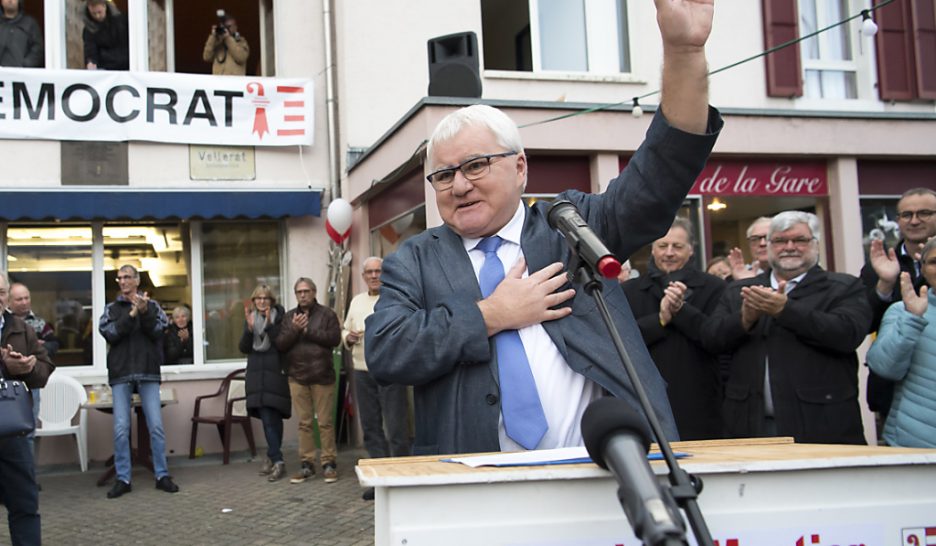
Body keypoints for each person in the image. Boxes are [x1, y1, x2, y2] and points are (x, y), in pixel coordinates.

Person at [366, 1, 720, 455]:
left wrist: (684, 52)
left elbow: (660, 175)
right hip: (474, 482)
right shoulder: (415, 260)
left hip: (606, 472)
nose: (459, 185)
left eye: (475, 165)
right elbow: (386, 350)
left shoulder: (571, 227)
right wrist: (491, 315)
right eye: (443, 175)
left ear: (519, 167)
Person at [701, 211, 872, 443]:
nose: (789, 247)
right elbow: (711, 339)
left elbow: (847, 334)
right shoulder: (739, 291)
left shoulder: (843, 287)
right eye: (780, 241)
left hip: (822, 426)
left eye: (800, 240)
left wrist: (785, 310)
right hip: (750, 426)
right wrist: (744, 320)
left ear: (816, 243)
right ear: (769, 246)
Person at [621, 218, 726, 440]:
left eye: (677, 246)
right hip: (646, 402)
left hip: (699, 401)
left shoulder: (714, 287)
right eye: (662, 245)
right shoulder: (629, 291)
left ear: (691, 250)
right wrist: (659, 320)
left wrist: (681, 311)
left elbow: (717, 338)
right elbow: (621, 342)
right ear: (652, 249)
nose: (669, 253)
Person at [98, 265, 179, 498]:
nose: (123, 281)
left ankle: (162, 475)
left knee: (156, 426)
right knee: (121, 428)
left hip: (147, 372)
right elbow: (110, 333)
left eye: (127, 277)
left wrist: (143, 312)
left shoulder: (152, 306)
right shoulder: (111, 309)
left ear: (137, 280)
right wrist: (132, 314)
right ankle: (123, 478)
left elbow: (159, 331)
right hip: (121, 373)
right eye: (119, 278)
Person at [861, 188, 936, 425]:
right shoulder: (880, 264)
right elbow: (863, 325)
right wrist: (885, 285)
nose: (914, 221)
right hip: (892, 391)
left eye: (924, 213)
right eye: (906, 215)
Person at [343, 257, 410, 499]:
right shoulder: (357, 301)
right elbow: (345, 328)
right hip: (362, 370)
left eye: (378, 271)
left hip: (391, 370)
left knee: (396, 428)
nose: (374, 275)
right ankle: (379, 481)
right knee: (371, 428)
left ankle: (402, 481)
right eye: (369, 272)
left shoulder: (397, 298)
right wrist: (348, 337)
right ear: (363, 277)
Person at [866, 238, 936, 447]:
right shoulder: (902, 310)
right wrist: (912, 319)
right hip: (913, 443)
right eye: (934, 262)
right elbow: (884, 368)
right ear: (923, 269)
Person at [0, 273, 53, 545]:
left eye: (1, 292)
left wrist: (28, 368)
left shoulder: (22, 328)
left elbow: (45, 369)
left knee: (25, 505)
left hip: (14, 432)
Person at [274, 278, 341, 484]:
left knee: (325, 423)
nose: (303, 295)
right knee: (304, 424)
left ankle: (329, 463)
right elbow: (280, 344)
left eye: (306, 291)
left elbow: (334, 339)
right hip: (297, 376)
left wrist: (307, 331)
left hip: (322, 375)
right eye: (299, 292)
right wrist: (295, 330)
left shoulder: (327, 314)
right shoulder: (288, 317)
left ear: (314, 292)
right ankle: (307, 464)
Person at [239, 284, 290, 482]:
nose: (261, 301)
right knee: (268, 418)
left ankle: (275, 458)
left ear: (271, 301)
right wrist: (249, 329)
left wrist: (269, 325)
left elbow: (282, 344)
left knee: (274, 418)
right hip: (256, 375)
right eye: (258, 298)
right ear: (253, 301)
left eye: (265, 298)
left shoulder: (281, 318)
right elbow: (244, 348)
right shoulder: (251, 318)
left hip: (275, 374)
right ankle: (275, 458)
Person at [9, 282, 59, 462]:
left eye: (26, 298)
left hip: (31, 383)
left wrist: (42, 348)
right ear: (9, 301)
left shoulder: (39, 323)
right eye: (19, 299)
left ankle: (28, 472)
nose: (24, 302)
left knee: (29, 430)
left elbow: (55, 344)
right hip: (8, 384)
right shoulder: (6, 323)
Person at [82, 0, 129, 70]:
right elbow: (90, 50)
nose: (97, 16)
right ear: (89, 9)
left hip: (127, 66)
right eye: (93, 13)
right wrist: (91, 62)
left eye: (99, 12)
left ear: (105, 6)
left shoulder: (121, 21)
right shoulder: (89, 30)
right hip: (105, 69)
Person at [0, 0, 43, 67]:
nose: (10, 0)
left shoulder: (30, 23)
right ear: (1, 1)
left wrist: (25, 65)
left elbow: (38, 49)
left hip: (21, 72)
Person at [727, 216, 771, 280]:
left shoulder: (786, 275)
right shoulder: (734, 279)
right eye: (754, 239)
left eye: (768, 237)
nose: (762, 243)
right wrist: (743, 281)